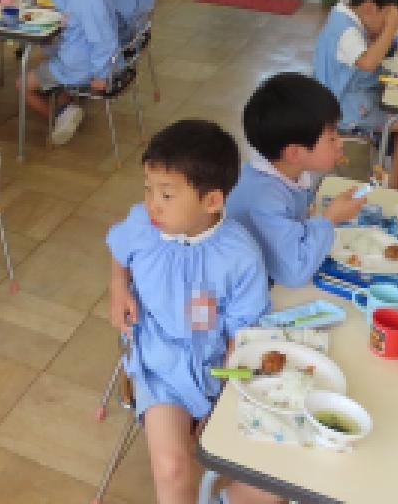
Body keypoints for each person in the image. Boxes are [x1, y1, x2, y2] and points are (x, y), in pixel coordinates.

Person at [107, 119, 275, 504]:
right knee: (172, 468)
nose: (152, 203)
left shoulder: (240, 255)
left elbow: (243, 333)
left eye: (166, 194)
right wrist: (118, 286)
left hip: (215, 366)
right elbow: (120, 252)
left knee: (263, 472)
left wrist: (227, 396)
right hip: (159, 364)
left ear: (212, 201)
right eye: (148, 188)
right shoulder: (142, 224)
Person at [227, 73, 366, 287]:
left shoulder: (287, 173)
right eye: (331, 138)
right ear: (293, 153)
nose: (340, 143)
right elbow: (295, 273)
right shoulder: (265, 200)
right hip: (249, 288)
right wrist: (330, 219)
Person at [313, 0, 398, 190]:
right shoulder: (345, 30)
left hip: (351, 98)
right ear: (369, 7)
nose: (387, 25)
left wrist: (386, 27)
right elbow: (367, 62)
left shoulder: (348, 16)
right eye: (387, 18)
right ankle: (392, 189)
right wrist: (389, 29)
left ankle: (388, 168)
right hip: (342, 109)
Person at [22, 0, 120, 146]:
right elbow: (68, 6)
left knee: (22, 85)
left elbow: (103, 40)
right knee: (47, 52)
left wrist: (102, 74)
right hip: (78, 58)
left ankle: (60, 117)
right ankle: (67, 105)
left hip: (78, 66)